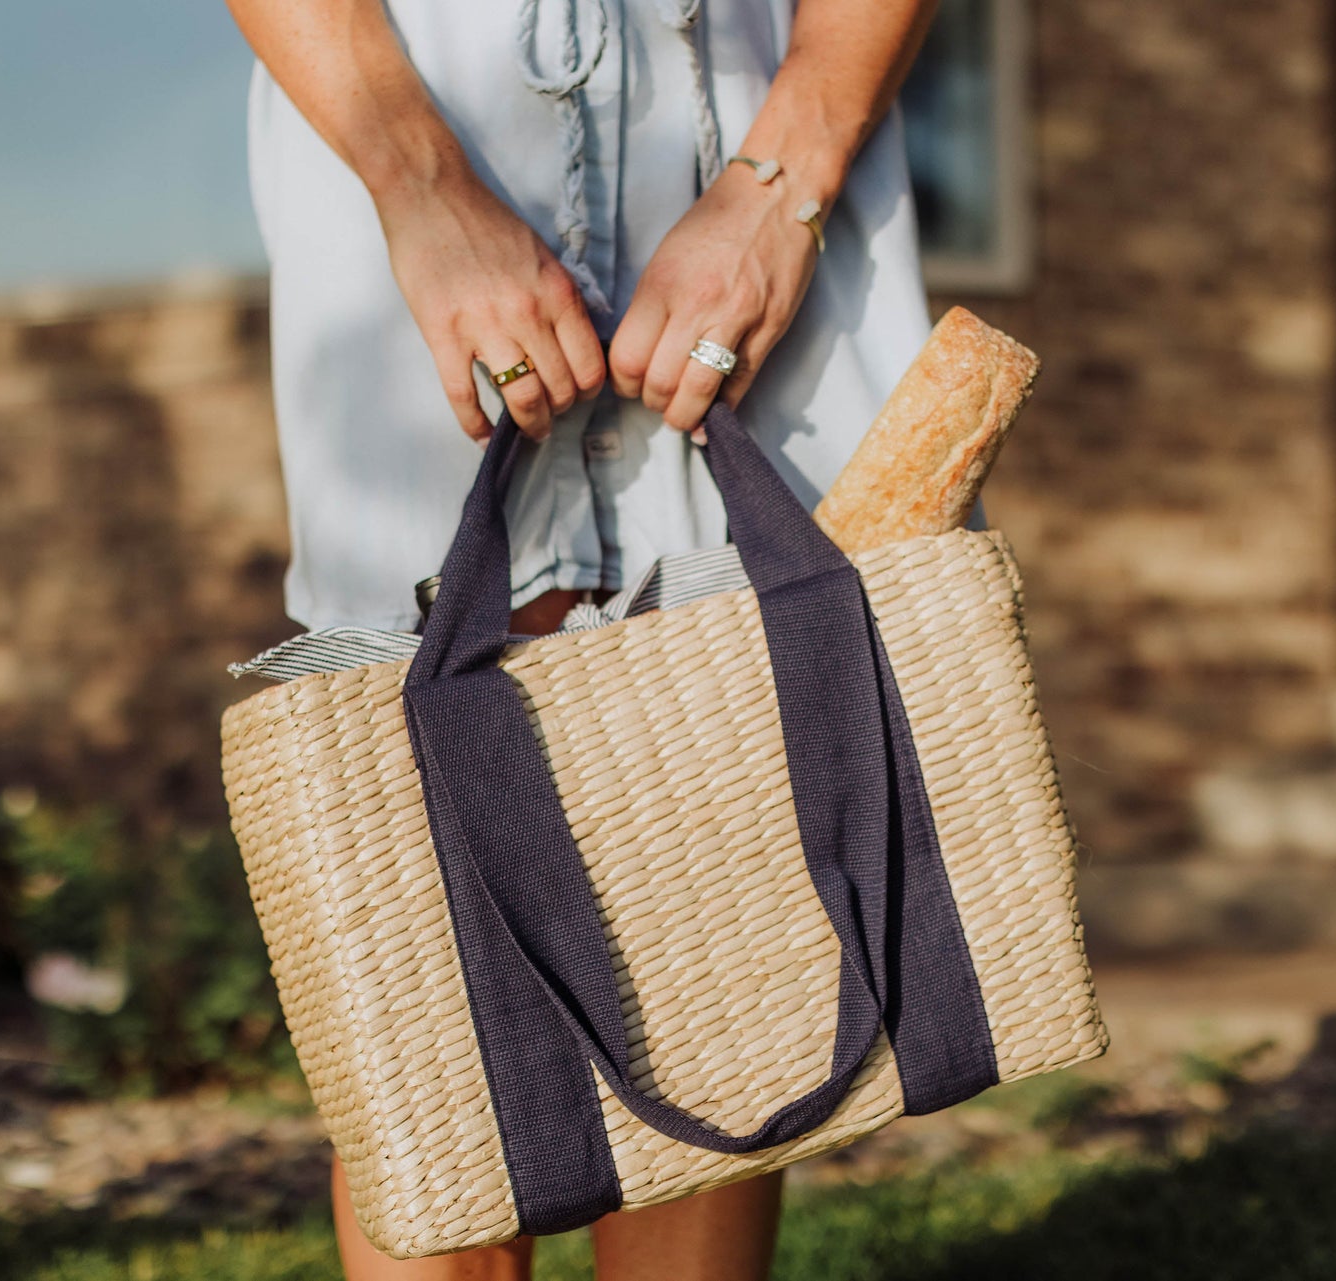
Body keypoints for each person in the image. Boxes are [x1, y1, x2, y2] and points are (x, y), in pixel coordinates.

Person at [224, 0, 940, 1276]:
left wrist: (789, 170)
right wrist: (421, 185)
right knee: (431, 973)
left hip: (753, 168)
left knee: (732, 930)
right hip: (402, 138)